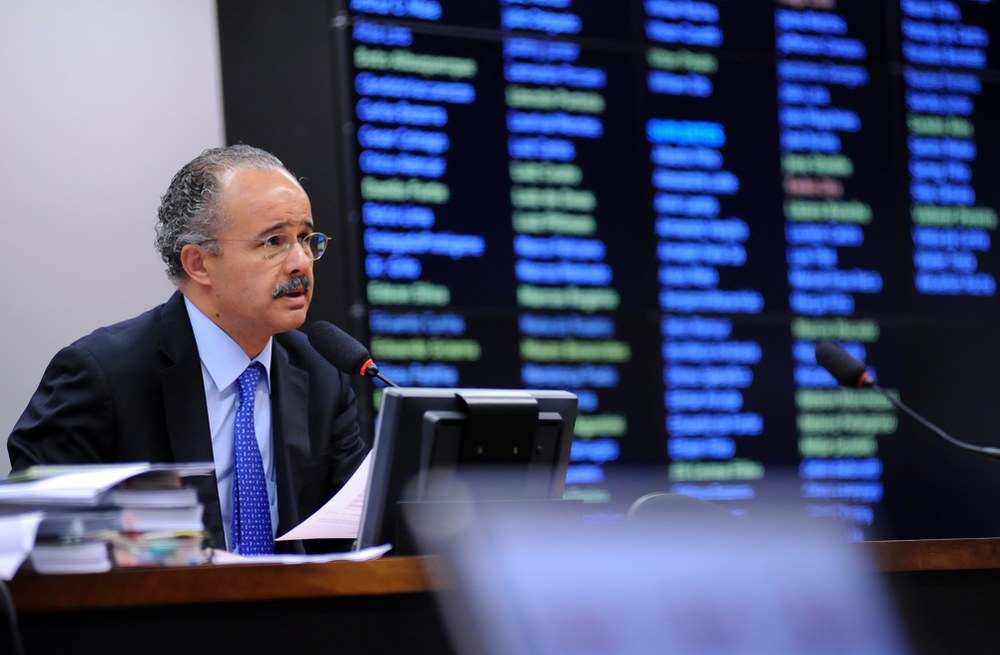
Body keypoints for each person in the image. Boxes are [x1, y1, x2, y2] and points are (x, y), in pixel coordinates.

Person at [7, 145, 367, 555]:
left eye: (305, 238)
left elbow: (354, 536)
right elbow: (38, 540)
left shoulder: (322, 373)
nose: (300, 262)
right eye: (274, 241)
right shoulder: (103, 376)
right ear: (198, 264)